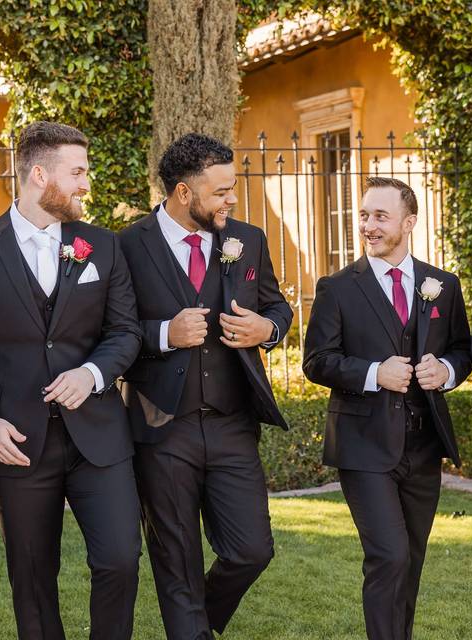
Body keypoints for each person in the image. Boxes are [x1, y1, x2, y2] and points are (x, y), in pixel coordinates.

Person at [0, 121, 142, 640]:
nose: (85, 184)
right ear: (38, 174)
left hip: (99, 436)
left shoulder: (103, 246)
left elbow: (125, 332)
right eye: (76, 172)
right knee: (32, 579)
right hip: (18, 443)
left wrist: (93, 373)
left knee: (121, 559)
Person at [118, 132, 292, 639]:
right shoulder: (127, 246)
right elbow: (113, 331)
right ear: (182, 194)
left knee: (251, 550)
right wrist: (163, 335)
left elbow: (276, 305)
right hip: (161, 427)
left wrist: (269, 329)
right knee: (175, 562)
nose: (231, 200)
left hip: (232, 423)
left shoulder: (247, 239)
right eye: (220, 192)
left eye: (232, 188)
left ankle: (201, 619)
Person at [303, 176, 472, 640]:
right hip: (364, 445)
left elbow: (462, 349)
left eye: (380, 216)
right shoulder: (337, 288)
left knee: (411, 560)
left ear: (409, 222)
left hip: (423, 447)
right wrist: (375, 373)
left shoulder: (443, 285)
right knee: (389, 556)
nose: (368, 226)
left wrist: (448, 372)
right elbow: (316, 362)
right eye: (363, 215)